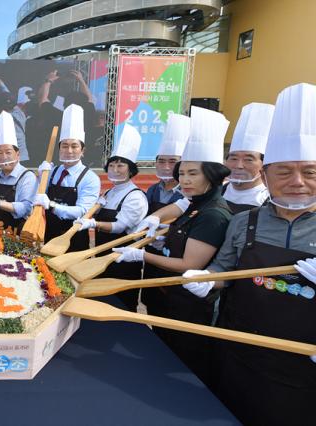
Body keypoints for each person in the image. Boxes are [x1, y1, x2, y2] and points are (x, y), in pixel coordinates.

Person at [181, 83, 316, 425]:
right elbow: (224, 268)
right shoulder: (245, 222)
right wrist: (208, 280)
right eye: (284, 171)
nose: (297, 181)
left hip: (303, 369)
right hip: (239, 352)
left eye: (309, 171)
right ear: (266, 175)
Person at [114, 106, 233, 383]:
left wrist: (142, 256)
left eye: (193, 174)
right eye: (182, 174)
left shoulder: (214, 213)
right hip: (167, 296)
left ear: (212, 176)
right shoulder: (194, 203)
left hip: (187, 306)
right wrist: (155, 222)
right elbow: (176, 210)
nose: (184, 180)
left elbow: (189, 265)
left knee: (180, 364)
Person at [75, 124, 148, 310]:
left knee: (122, 304)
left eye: (121, 165)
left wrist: (93, 223)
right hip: (102, 256)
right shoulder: (109, 192)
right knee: (101, 301)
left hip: (123, 262)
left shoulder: (135, 197)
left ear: (131, 170)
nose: (115, 169)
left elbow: (120, 226)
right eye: (112, 165)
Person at [33, 104, 100, 251]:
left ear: (83, 151)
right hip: (47, 232)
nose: (69, 151)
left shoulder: (90, 178)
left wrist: (52, 206)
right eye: (64, 146)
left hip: (73, 237)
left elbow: (83, 211)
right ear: (59, 149)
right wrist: (39, 178)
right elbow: (37, 199)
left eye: (74, 146)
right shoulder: (52, 171)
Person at [0, 111, 37, 232]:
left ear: (18, 155)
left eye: (8, 152)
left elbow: (25, 208)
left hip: (16, 234)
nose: (4, 156)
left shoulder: (28, 177)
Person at [221, 102, 274, 213]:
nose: (238, 166)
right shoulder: (217, 192)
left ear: (264, 165)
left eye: (248, 160)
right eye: (233, 158)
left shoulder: (271, 202)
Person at [145, 114, 189, 214]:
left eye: (172, 162)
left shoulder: (189, 191)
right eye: (161, 161)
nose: (166, 167)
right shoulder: (152, 189)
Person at [0, 91, 30, 162]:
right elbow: (11, 101)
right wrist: (2, 87)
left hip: (3, 162)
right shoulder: (20, 115)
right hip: (22, 158)